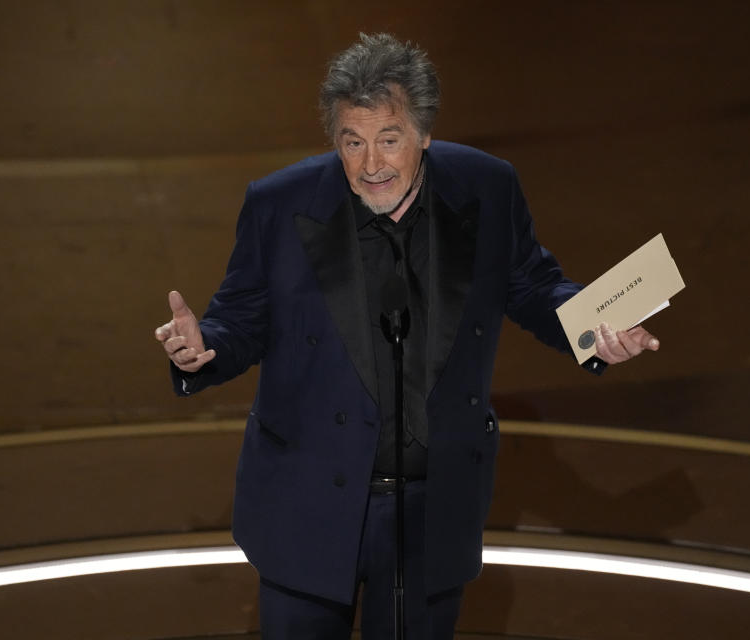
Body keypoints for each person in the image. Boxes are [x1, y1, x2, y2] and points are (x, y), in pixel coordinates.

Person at [154, 33, 659, 639]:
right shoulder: (279, 204)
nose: (371, 165)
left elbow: (530, 284)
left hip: (430, 508)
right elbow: (240, 318)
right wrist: (200, 347)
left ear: (423, 134)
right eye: (353, 142)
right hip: (307, 504)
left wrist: (593, 331)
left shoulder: (486, 187)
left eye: (389, 140)